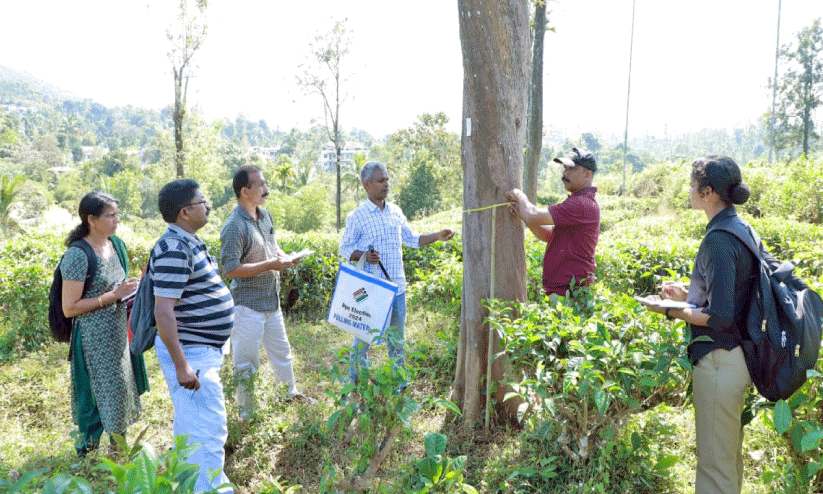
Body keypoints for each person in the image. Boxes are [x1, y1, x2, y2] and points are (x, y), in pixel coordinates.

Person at [638, 156, 755, 494]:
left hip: (720, 359)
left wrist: (666, 310)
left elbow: (719, 316)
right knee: (726, 458)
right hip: (738, 357)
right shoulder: (740, 228)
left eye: (692, 185)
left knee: (714, 467)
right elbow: (733, 295)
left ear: (708, 192)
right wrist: (688, 293)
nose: (688, 190)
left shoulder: (719, 239)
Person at [151, 179, 235, 493]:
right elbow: (164, 311)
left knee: (196, 427)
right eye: (202, 201)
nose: (207, 205)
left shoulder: (188, 241)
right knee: (207, 430)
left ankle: (197, 485)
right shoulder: (174, 247)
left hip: (199, 352)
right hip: (191, 354)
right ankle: (209, 489)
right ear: (185, 211)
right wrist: (182, 365)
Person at [339, 161, 455, 383]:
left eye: (387, 179)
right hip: (371, 289)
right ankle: (355, 381)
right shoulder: (357, 216)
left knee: (397, 341)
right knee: (364, 337)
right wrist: (363, 254)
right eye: (381, 180)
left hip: (397, 288)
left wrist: (438, 235)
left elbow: (412, 239)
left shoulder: (395, 212)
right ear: (367, 185)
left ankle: (399, 383)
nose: (386, 184)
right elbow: (344, 249)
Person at [220, 165, 314, 417]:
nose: (266, 189)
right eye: (260, 185)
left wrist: (286, 258)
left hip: (271, 302)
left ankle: (289, 394)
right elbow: (231, 269)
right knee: (246, 364)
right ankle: (247, 415)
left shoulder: (265, 216)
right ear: (244, 191)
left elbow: (273, 246)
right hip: (247, 305)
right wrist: (271, 265)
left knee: (282, 352)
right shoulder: (234, 226)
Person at [60, 191, 143, 456]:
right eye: (110, 215)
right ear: (91, 219)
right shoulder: (78, 255)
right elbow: (69, 307)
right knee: (95, 397)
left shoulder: (115, 245)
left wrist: (130, 290)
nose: (117, 220)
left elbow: (118, 286)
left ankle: (118, 452)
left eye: (117, 214)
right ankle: (86, 457)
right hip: (93, 341)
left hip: (117, 335)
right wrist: (112, 296)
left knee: (119, 393)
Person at [507, 147, 600, 297]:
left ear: (587, 174)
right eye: (565, 169)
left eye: (571, 169)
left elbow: (533, 214)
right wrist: (523, 215)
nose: (565, 173)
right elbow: (549, 235)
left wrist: (519, 195)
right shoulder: (579, 201)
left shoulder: (582, 204)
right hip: (564, 292)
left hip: (571, 293)